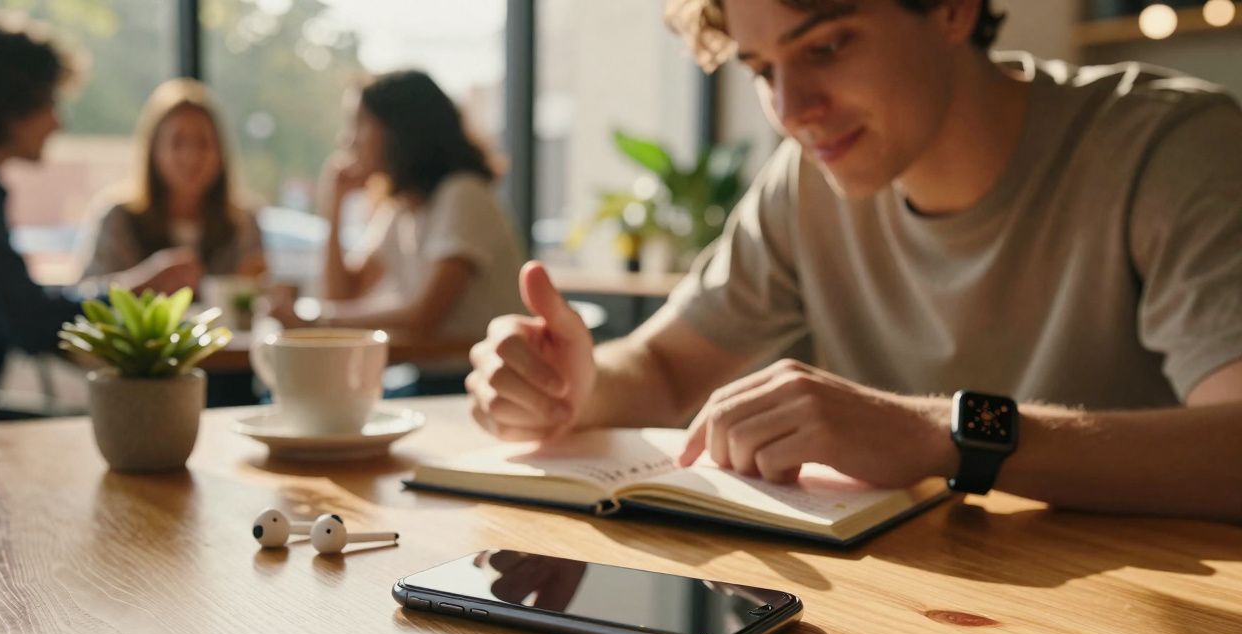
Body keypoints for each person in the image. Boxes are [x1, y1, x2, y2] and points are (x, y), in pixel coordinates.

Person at [465, 0, 1242, 520]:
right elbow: (668, 369)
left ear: (952, 7)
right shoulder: (806, 185)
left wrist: (943, 434)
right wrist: (576, 385)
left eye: (826, 46)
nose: (791, 110)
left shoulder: (1169, 148)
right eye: (762, 69)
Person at [0, 15, 195, 424]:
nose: (59, 122)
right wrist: (136, 289)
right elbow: (28, 322)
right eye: (50, 102)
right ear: (11, 105)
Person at [272, 70, 524, 390]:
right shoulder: (402, 209)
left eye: (360, 122)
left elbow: (424, 317)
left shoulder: (463, 195)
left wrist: (318, 322)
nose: (348, 140)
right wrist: (333, 207)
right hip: (433, 378)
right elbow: (342, 293)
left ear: (399, 130)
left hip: (479, 383)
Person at [77, 77, 265, 289]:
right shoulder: (119, 217)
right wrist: (146, 279)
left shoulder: (243, 223)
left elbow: (255, 299)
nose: (191, 157)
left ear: (221, 151)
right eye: (177, 142)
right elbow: (86, 295)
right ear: (154, 150)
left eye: (203, 143)